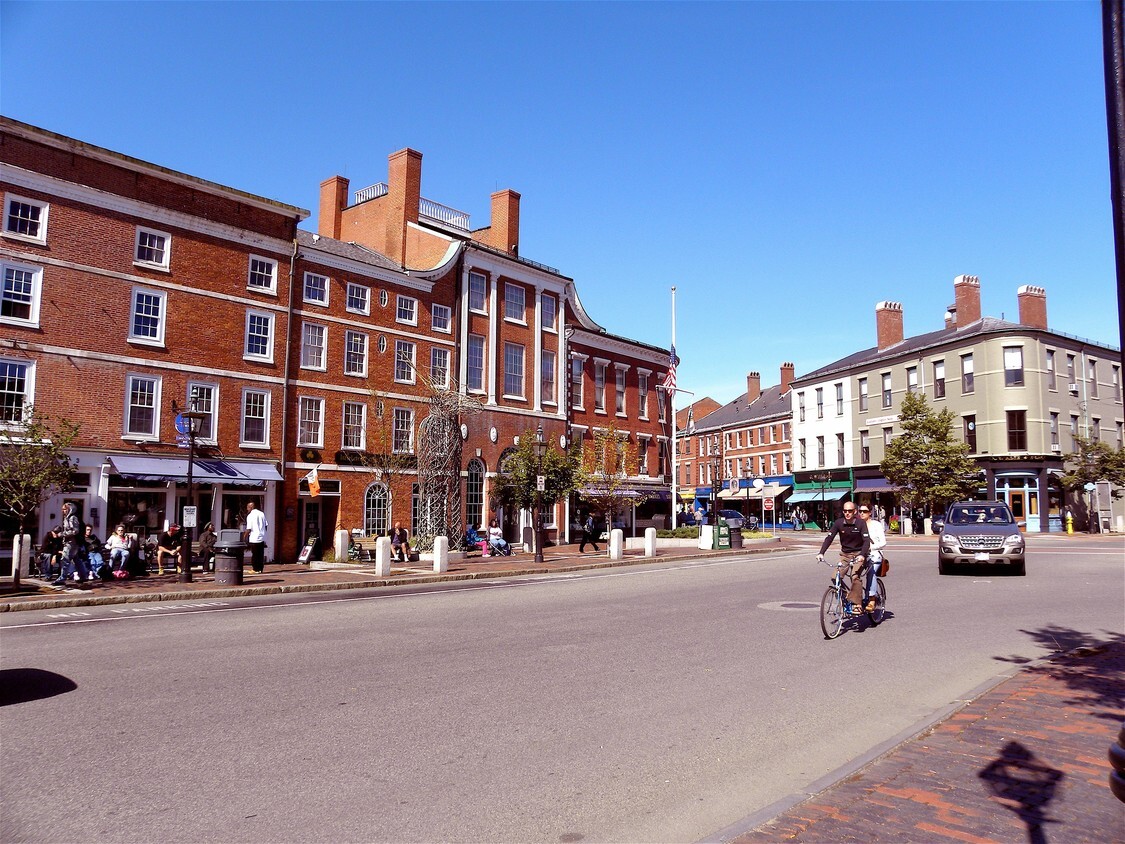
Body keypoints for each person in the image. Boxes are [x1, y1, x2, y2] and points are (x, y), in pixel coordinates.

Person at [816, 502, 871, 614]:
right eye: (845, 511)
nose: (847, 513)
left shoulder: (860, 523)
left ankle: (857, 604)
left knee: (854, 576)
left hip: (858, 554)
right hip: (845, 555)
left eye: (849, 511)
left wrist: (862, 555)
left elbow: (866, 541)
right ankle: (848, 596)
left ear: (855, 511)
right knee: (835, 577)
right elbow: (829, 538)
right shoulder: (839, 523)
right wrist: (821, 553)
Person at [858, 505, 887, 613]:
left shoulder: (876, 525)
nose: (862, 513)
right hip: (860, 555)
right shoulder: (857, 524)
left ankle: (871, 599)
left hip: (874, 554)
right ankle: (856, 600)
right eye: (860, 511)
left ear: (870, 512)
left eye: (864, 511)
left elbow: (883, 542)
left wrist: (870, 547)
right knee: (854, 573)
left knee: (871, 572)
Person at [56, 502, 90, 586]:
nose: (63, 511)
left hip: (71, 542)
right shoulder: (67, 518)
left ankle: (62, 578)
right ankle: (83, 575)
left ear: (69, 509)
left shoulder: (72, 518)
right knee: (76, 559)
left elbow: (75, 531)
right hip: (71, 542)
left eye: (64, 509)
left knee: (65, 560)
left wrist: (61, 534)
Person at [245, 500, 268, 573]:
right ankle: (260, 569)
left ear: (250, 507)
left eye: (248, 508)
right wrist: (263, 533)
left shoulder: (250, 516)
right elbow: (266, 525)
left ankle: (255, 569)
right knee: (260, 554)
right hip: (262, 537)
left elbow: (249, 529)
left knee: (254, 554)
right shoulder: (261, 513)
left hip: (254, 537)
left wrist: (244, 537)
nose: (247, 509)